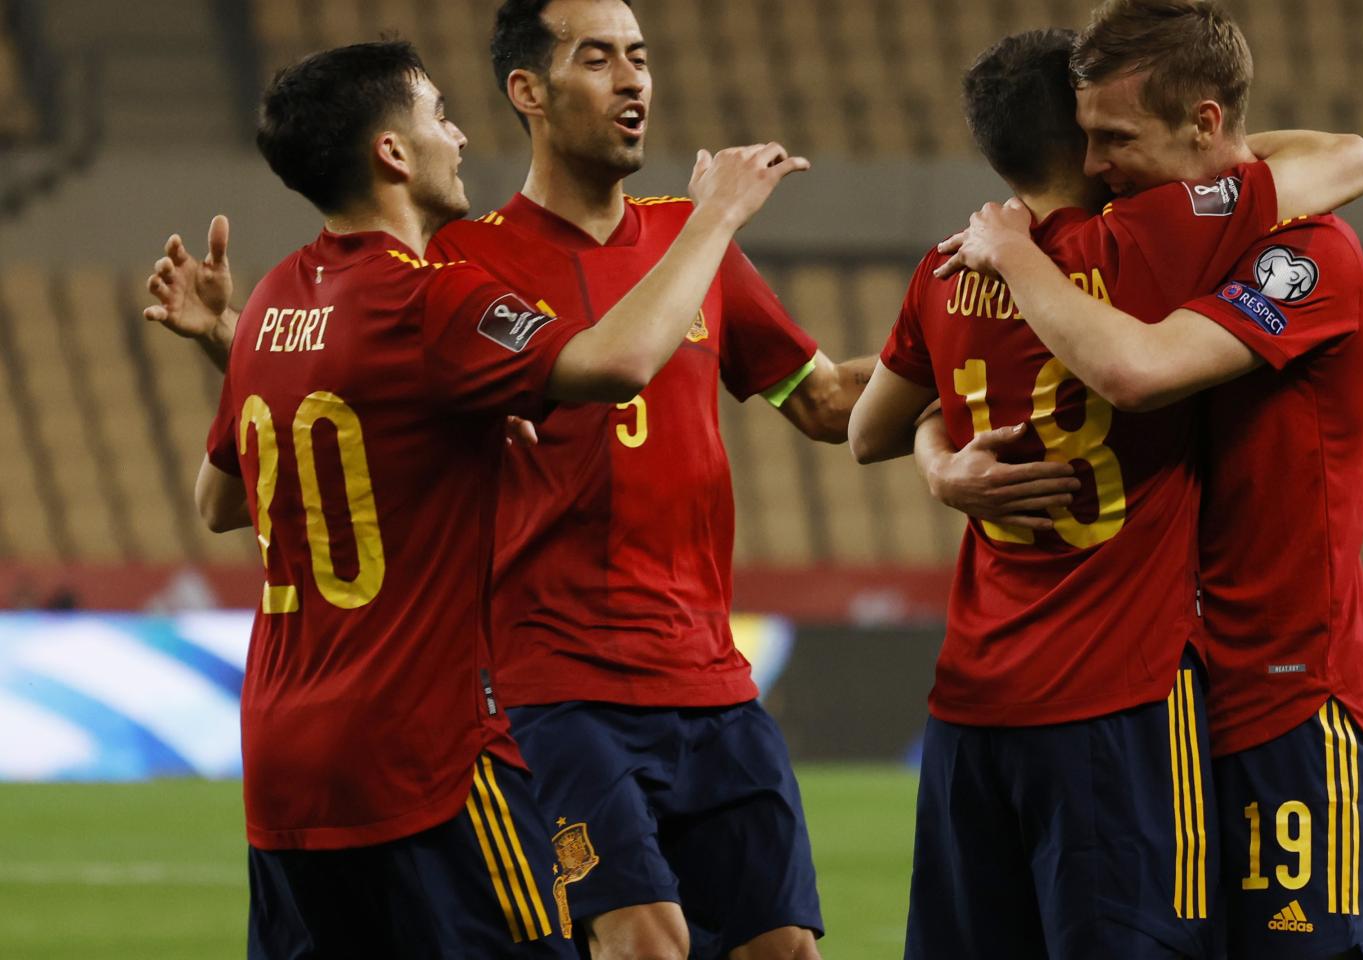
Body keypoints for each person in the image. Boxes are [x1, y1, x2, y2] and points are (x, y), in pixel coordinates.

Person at [147, 3, 859, 957]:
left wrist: (958, 364)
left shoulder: (287, 293)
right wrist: (720, 213)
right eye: (598, 57)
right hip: (499, 711)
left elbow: (236, 489)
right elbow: (608, 365)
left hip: (320, 737)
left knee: (784, 946)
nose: (632, 79)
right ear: (525, 91)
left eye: (639, 56)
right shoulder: (448, 278)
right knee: (634, 943)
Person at [847, 22, 1363, 960]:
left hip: (1285, 684)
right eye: (1087, 137)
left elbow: (1134, 371)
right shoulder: (1154, 245)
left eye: (1119, 139)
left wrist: (1008, 265)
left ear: (1202, 124)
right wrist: (942, 462)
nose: (1099, 163)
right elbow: (1345, 154)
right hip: (1161, 685)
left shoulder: (1300, 254)